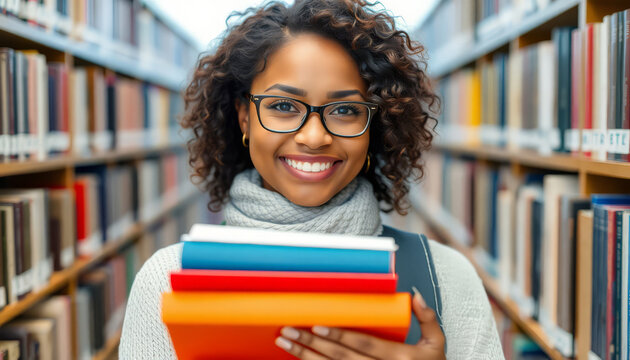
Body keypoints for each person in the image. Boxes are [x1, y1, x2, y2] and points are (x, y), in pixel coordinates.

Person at [119, 0, 504, 359]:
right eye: (284, 106)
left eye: (345, 110)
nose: (315, 137)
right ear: (244, 118)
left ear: (375, 125)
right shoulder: (165, 282)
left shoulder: (447, 279)